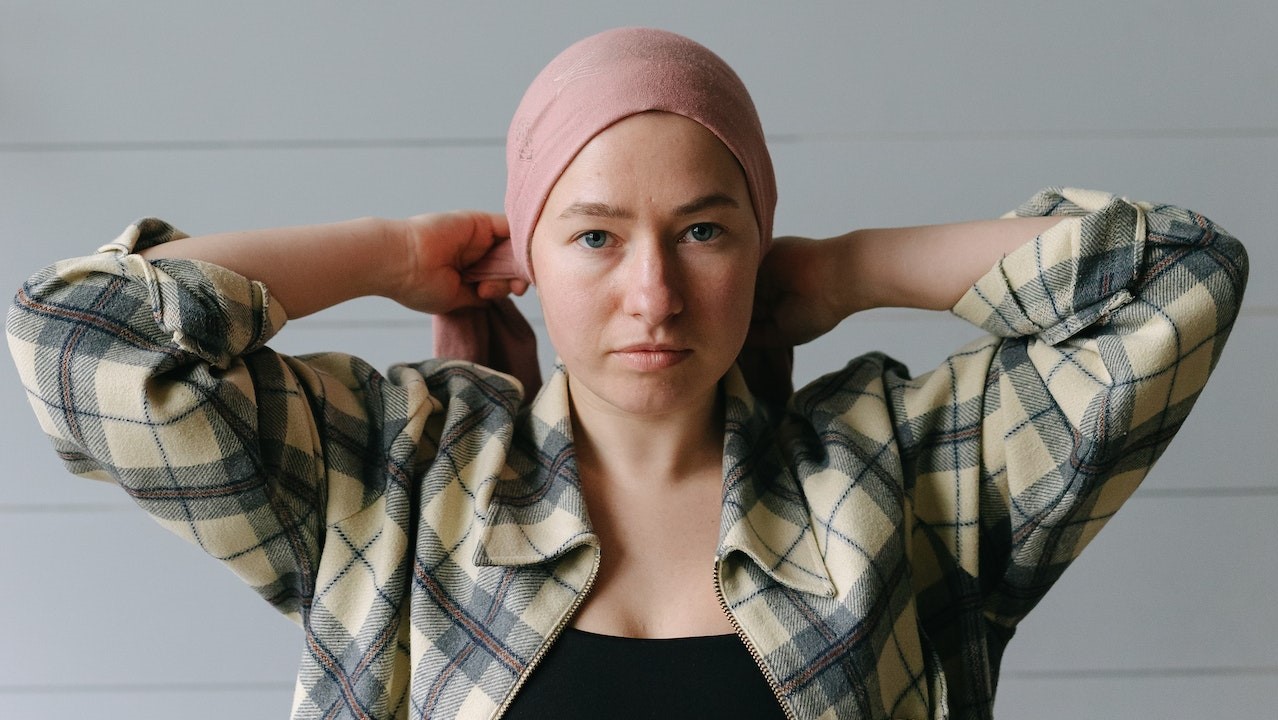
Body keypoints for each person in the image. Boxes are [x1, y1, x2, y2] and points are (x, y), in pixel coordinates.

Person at [5, 26, 1248, 720]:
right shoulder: (395, 478)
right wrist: (392, 255)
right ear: (529, 253)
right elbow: (80, 338)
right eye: (594, 234)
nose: (653, 292)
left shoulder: (907, 478)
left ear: (758, 240)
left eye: (705, 230)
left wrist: (844, 270)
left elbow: (1175, 281)